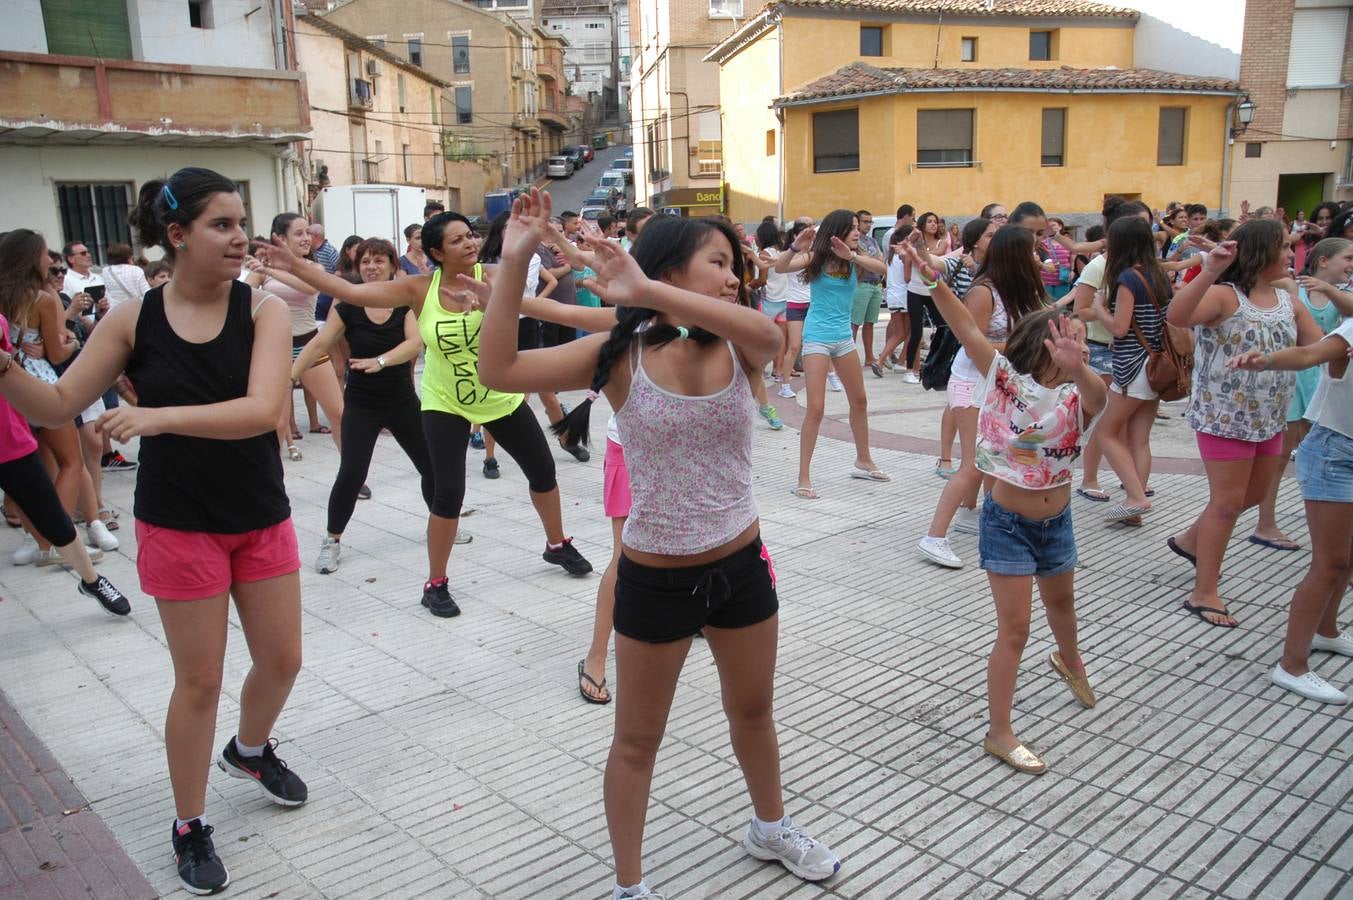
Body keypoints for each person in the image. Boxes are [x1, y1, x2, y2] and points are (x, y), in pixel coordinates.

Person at [478, 189, 841, 900]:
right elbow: (500, 372)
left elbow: (771, 340)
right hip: (655, 581)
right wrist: (516, 261)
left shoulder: (741, 344)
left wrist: (646, 291)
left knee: (753, 712)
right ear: (671, 270)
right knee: (637, 740)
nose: (733, 276)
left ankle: (770, 827)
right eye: (717, 263)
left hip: (741, 567)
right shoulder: (623, 356)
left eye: (734, 264)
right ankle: (629, 885)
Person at [0, 169, 309, 895]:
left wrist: (155, 417)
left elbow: (261, 409)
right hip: (178, 522)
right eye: (222, 225)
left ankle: (249, 750)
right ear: (177, 235)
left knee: (282, 660)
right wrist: (5, 366)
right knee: (199, 681)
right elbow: (57, 403)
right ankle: (189, 823)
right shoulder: (133, 318)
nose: (239, 238)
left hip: (259, 514)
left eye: (241, 223)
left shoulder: (262, 310)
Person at [256, 210, 596, 618]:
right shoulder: (419, 288)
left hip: (499, 396)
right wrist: (295, 267)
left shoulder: (492, 276)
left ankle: (556, 544)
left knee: (543, 471)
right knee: (448, 491)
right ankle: (435, 583)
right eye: (458, 240)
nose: (470, 243)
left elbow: (537, 268)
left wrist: (542, 235)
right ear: (436, 252)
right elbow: (351, 293)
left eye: (470, 236)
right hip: (444, 401)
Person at [898, 240, 1106, 775]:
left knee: (1063, 604)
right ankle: (999, 732)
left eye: (1081, 342)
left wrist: (1080, 369)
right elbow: (966, 327)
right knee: (1015, 630)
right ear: (1041, 345)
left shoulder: (1078, 395)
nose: (1079, 348)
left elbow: (1099, 399)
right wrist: (932, 280)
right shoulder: (1005, 380)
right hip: (1007, 525)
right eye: (1069, 340)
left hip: (1058, 523)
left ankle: (1071, 659)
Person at [1164, 221, 1324, 627]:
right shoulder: (1224, 295)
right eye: (1283, 247)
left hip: (1270, 416)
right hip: (1223, 417)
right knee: (1227, 504)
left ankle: (1191, 540)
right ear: (1259, 252)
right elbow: (1177, 315)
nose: (1290, 254)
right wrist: (1211, 270)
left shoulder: (1289, 300)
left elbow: (1317, 346)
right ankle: (1203, 592)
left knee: (1251, 495)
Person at [289, 238, 437, 574]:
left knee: (431, 466)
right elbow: (319, 344)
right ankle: (332, 540)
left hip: (401, 401)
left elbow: (415, 343)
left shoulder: (404, 305)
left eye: (379, 261)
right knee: (352, 473)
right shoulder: (349, 307)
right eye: (365, 262)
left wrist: (380, 361)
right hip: (362, 404)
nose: (371, 267)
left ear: (392, 266)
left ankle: (442, 524)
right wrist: (290, 377)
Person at [1229, 303, 1353, 704]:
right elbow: (1308, 354)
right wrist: (1265, 360)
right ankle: (1292, 665)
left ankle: (1326, 631)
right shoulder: (1350, 332)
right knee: (1329, 562)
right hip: (1335, 453)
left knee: (1348, 557)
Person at [916, 222, 1045, 568]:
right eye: (1031, 249)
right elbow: (972, 344)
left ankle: (980, 517)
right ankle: (934, 537)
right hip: (971, 382)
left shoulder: (1018, 290)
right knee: (974, 464)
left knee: (996, 458)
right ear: (1016, 255)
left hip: (998, 382)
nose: (1037, 255)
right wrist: (1023, 344)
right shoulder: (984, 292)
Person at [775, 210, 890, 498]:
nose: (857, 232)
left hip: (843, 338)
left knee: (859, 401)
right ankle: (803, 477)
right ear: (837, 231)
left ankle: (863, 459)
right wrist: (794, 247)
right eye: (852, 228)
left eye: (858, 227)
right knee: (816, 408)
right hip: (817, 338)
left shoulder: (853, 257)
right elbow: (780, 267)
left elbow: (883, 268)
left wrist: (852, 256)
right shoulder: (816, 257)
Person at [1249, 238, 1353, 551]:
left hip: (1321, 381)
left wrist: (1330, 290)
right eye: (1348, 258)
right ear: (1323, 261)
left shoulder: (1343, 295)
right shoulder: (1293, 288)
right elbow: (1258, 278)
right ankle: (1265, 522)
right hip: (1293, 376)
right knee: (1281, 455)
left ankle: (1323, 516)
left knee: (1311, 446)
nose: (1352, 265)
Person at [1080, 216, 1172, 524]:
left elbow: (1119, 329)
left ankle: (1135, 498)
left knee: (1106, 432)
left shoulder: (1128, 279)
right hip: (1157, 366)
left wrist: (1098, 310)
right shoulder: (1159, 275)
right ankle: (1135, 508)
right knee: (1139, 439)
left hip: (1132, 367)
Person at [1069, 197, 1153, 504]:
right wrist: (1106, 310)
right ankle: (1091, 478)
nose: (1148, 232)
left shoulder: (1144, 270)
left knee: (1126, 428)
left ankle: (1134, 488)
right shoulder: (1099, 267)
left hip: (1134, 354)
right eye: (1142, 225)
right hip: (1105, 351)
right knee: (1103, 421)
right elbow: (1080, 311)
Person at [245, 213, 345, 462]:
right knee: (278, 424)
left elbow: (309, 287)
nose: (306, 238)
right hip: (276, 352)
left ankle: (353, 476)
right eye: (299, 233)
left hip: (309, 347)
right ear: (280, 238)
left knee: (339, 414)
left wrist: (269, 269)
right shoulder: (263, 270)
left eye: (308, 232)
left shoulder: (313, 268)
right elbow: (241, 297)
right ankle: (271, 480)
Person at [900, 211, 947, 384]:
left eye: (935, 221)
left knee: (943, 327)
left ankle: (938, 365)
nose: (934, 224)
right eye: (929, 221)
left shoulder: (942, 243)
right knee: (916, 331)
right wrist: (912, 242)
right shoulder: (914, 243)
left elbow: (935, 257)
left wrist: (916, 249)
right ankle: (909, 370)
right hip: (915, 291)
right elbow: (905, 256)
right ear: (922, 225)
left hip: (933, 291)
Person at [851, 210, 885, 375]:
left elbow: (881, 260)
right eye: (865, 221)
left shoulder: (872, 241)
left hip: (875, 283)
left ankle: (869, 356)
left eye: (870, 222)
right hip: (862, 284)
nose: (868, 225)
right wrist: (872, 260)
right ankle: (849, 356)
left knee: (870, 322)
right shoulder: (855, 241)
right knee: (855, 322)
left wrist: (872, 260)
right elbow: (866, 259)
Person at [101, 243, 151, 309]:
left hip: (115, 310)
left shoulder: (106, 271)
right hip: (135, 309)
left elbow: (108, 293)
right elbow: (147, 293)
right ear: (129, 257)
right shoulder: (136, 270)